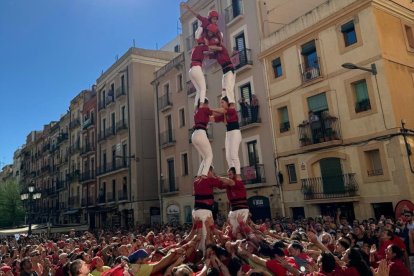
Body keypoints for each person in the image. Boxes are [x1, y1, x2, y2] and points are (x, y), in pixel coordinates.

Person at [193, 166, 234, 253]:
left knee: (204, 234)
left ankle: (201, 252)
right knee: (206, 235)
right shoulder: (209, 180)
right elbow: (225, 185)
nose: (213, 174)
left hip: (196, 211)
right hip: (205, 211)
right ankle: (205, 255)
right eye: (212, 172)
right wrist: (219, 177)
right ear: (208, 172)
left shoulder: (196, 181)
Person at [212, 96, 242, 180]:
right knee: (228, 156)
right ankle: (232, 173)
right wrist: (204, 114)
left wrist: (210, 109)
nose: (221, 104)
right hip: (228, 134)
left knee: (233, 154)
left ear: (227, 103)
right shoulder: (224, 114)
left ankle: (238, 174)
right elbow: (213, 118)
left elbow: (220, 111)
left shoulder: (232, 110)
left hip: (235, 133)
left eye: (222, 102)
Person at [191, 98, 213, 178]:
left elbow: (209, 118)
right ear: (205, 104)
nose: (208, 106)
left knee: (205, 157)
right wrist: (224, 111)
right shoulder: (204, 109)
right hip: (201, 133)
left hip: (194, 135)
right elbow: (213, 113)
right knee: (210, 156)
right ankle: (204, 174)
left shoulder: (196, 111)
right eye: (207, 104)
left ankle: (199, 175)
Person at [225, 167, 249, 236]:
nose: (228, 176)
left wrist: (216, 177)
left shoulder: (238, 182)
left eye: (230, 174)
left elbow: (228, 182)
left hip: (241, 208)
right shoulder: (228, 185)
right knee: (234, 231)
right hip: (234, 209)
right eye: (228, 175)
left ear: (235, 175)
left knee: (240, 230)